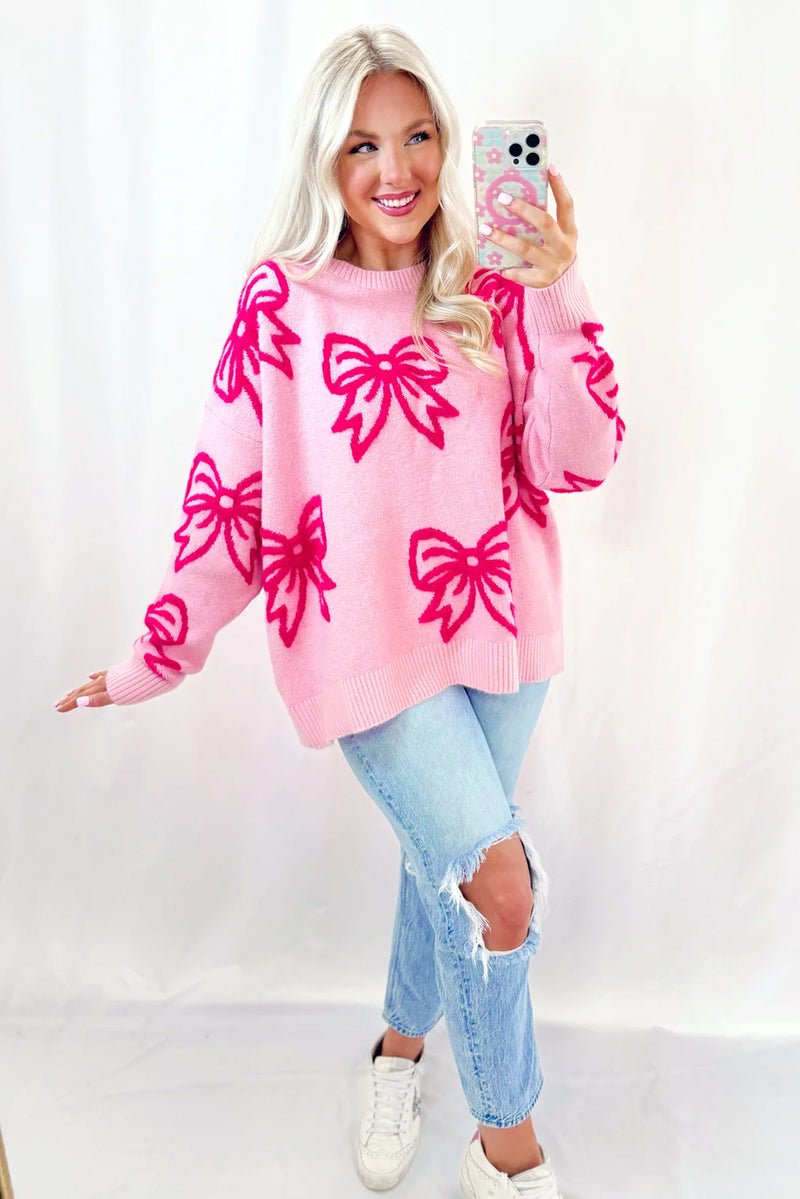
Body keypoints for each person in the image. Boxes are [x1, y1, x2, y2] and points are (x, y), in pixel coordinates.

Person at [53, 23, 625, 1199]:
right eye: (362, 144)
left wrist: (553, 290)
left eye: (417, 136)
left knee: (443, 865)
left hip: (503, 632)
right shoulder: (282, 302)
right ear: (323, 157)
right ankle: (508, 1150)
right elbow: (229, 496)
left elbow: (576, 459)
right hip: (364, 649)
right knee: (498, 886)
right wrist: (159, 650)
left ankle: (396, 1051)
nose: (395, 169)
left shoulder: (490, 281)